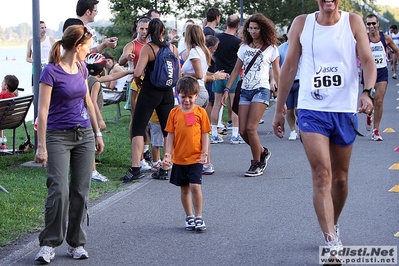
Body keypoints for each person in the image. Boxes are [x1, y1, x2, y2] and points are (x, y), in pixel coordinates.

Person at [272, 0, 376, 253]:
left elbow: (368, 60)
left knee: (340, 179)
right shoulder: (302, 23)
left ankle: (334, 221)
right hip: (311, 109)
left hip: (343, 109)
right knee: (322, 174)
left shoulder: (353, 22)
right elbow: (289, 67)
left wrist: (366, 93)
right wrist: (279, 108)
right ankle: (331, 239)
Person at [33, 25, 104, 263]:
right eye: (87, 46)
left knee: (80, 191)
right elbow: (42, 113)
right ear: (77, 47)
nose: (90, 50)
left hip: (83, 134)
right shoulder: (50, 72)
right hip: (57, 136)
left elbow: (88, 102)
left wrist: (97, 133)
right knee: (59, 191)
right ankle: (49, 243)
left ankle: (76, 243)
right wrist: (41, 146)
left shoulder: (81, 67)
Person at [121, 18, 179, 182]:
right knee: (167, 129)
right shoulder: (172, 48)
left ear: (148, 31)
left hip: (149, 91)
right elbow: (178, 74)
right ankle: (166, 166)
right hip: (167, 93)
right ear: (162, 31)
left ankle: (135, 168)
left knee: (138, 128)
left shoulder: (148, 48)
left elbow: (137, 73)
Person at [222, 13, 278, 177]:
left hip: (261, 89)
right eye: (250, 28)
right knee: (242, 131)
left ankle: (256, 162)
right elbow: (235, 70)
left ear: (263, 29)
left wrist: (281, 95)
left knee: (251, 129)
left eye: (256, 28)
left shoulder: (271, 48)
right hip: (245, 89)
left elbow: (277, 72)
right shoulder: (244, 47)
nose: (253, 31)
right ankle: (262, 151)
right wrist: (227, 89)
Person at [162, 76, 210, 232]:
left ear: (196, 96)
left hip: (195, 157)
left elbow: (204, 134)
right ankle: (189, 216)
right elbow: (170, 135)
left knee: (195, 186)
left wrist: (205, 153)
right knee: (184, 189)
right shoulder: (174, 113)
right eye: (183, 97)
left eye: (190, 97)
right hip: (180, 159)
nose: (187, 100)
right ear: (177, 95)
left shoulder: (201, 112)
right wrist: (168, 154)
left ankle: (199, 216)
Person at [365, 14, 399, 141]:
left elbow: (396, 50)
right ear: (366, 25)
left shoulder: (385, 38)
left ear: (377, 24)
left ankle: (376, 130)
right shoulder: (363, 39)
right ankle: (369, 114)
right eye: (369, 24)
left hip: (382, 71)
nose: (371, 26)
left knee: (378, 100)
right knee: (369, 101)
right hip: (368, 72)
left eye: (373, 23)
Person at [211, 14, 243, 145]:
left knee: (217, 104)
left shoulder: (216, 38)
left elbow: (211, 55)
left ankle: (213, 134)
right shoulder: (237, 42)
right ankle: (235, 135)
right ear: (237, 26)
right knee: (234, 105)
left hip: (218, 74)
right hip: (233, 76)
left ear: (226, 23)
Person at [118, 17, 150, 111]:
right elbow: (120, 62)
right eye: (142, 28)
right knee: (135, 116)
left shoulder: (152, 44)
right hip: (135, 82)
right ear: (137, 29)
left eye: (147, 29)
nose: (144, 31)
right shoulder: (131, 45)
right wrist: (127, 57)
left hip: (149, 82)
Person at [278, 24, 300, 141]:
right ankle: (292, 130)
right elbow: (277, 66)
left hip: (300, 80)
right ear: (287, 34)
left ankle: (301, 126)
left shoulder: (302, 47)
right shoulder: (281, 48)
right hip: (287, 83)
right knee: (289, 109)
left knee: (298, 108)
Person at [26, 21, 56, 92]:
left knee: (48, 92)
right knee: (35, 93)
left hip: (48, 70)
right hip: (36, 70)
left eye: (45, 27)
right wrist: (34, 61)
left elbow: (57, 56)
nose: (44, 30)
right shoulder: (31, 42)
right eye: (42, 28)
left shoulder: (51, 40)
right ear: (36, 29)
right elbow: (27, 58)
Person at [0, 75, 19, 145]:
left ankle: (1, 140)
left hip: (1, 120)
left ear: (6, 86)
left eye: (2, 82)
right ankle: (2, 142)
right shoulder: (13, 96)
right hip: (8, 120)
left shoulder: (2, 95)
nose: (1, 83)